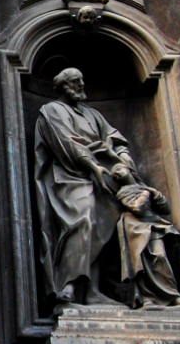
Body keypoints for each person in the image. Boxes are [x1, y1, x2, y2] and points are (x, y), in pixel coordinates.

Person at [33, 68, 132, 308]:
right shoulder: (52, 111)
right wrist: (93, 166)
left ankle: (93, 292)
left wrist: (124, 158)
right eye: (76, 82)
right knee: (82, 219)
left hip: (102, 177)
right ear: (63, 86)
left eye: (82, 81)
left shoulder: (92, 114)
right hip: (68, 176)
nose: (81, 85)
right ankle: (69, 285)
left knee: (100, 224)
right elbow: (66, 142)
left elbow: (115, 139)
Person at [110, 163, 180, 308]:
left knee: (160, 258)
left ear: (129, 170)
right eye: (115, 175)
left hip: (152, 225)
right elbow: (138, 208)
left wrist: (156, 195)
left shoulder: (144, 188)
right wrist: (146, 194)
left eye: (118, 170)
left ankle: (172, 296)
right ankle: (146, 298)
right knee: (140, 264)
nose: (117, 174)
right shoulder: (123, 192)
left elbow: (166, 209)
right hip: (135, 228)